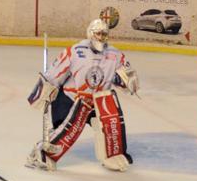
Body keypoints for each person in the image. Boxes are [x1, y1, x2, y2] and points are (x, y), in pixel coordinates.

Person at [26, 19, 139, 172]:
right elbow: (54, 73)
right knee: (65, 131)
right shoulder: (75, 52)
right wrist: (44, 93)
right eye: (98, 33)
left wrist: (130, 81)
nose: (101, 37)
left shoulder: (115, 55)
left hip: (97, 101)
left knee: (110, 122)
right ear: (90, 34)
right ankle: (41, 153)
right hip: (71, 99)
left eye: (104, 34)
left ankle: (112, 154)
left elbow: (127, 76)